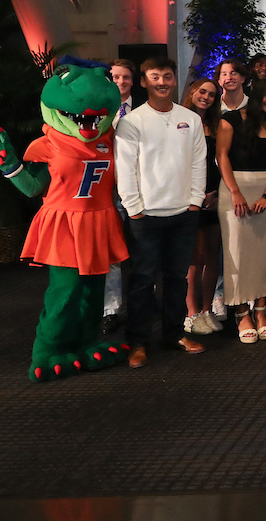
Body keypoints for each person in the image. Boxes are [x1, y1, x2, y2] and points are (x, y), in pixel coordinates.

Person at [116, 57, 207, 367]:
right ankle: (137, 342)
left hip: (184, 213)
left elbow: (198, 162)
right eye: (155, 76)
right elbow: (125, 168)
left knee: (177, 279)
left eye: (167, 76)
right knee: (142, 280)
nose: (162, 82)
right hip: (145, 216)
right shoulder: (132, 121)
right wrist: (134, 208)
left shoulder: (190, 119)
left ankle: (174, 333)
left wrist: (195, 201)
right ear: (144, 82)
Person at [217, 81, 266, 343]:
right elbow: (221, 156)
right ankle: (241, 312)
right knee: (236, 252)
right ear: (256, 95)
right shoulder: (231, 119)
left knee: (260, 252)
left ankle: (259, 311)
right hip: (234, 189)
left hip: (263, 192)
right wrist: (235, 192)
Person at [180, 79, 223, 336]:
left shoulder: (217, 126)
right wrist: (194, 195)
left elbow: (221, 161)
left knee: (212, 256)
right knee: (194, 259)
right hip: (189, 198)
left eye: (211, 94)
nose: (206, 97)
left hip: (215, 196)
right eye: (202, 92)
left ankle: (207, 309)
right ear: (193, 92)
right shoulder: (179, 122)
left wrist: (216, 192)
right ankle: (191, 312)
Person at [103, 58, 140, 334]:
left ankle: (145, 303)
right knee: (112, 255)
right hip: (107, 191)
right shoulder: (98, 111)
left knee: (143, 251)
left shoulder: (144, 110)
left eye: (126, 77)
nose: (120, 82)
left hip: (141, 190)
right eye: (116, 77)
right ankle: (111, 310)